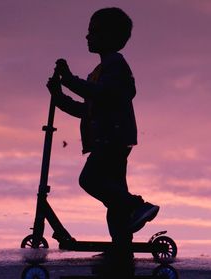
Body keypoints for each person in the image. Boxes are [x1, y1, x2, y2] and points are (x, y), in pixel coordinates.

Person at [46, 7, 159, 269]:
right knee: (114, 195)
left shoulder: (115, 66)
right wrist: (58, 95)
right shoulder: (98, 72)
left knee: (91, 180)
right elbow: (87, 110)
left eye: (93, 32)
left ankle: (138, 206)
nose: (87, 37)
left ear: (110, 37)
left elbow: (103, 94)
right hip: (108, 139)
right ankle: (122, 247)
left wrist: (68, 78)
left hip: (113, 138)